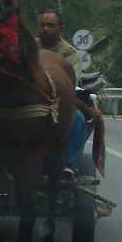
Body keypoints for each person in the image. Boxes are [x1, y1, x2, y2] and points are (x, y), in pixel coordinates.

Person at [36, 10, 89, 180]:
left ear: (61, 29)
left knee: (79, 119)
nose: (45, 29)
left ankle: (69, 166)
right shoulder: (28, 47)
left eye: (50, 25)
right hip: (29, 101)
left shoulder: (70, 53)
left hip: (58, 103)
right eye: (42, 25)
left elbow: (69, 83)